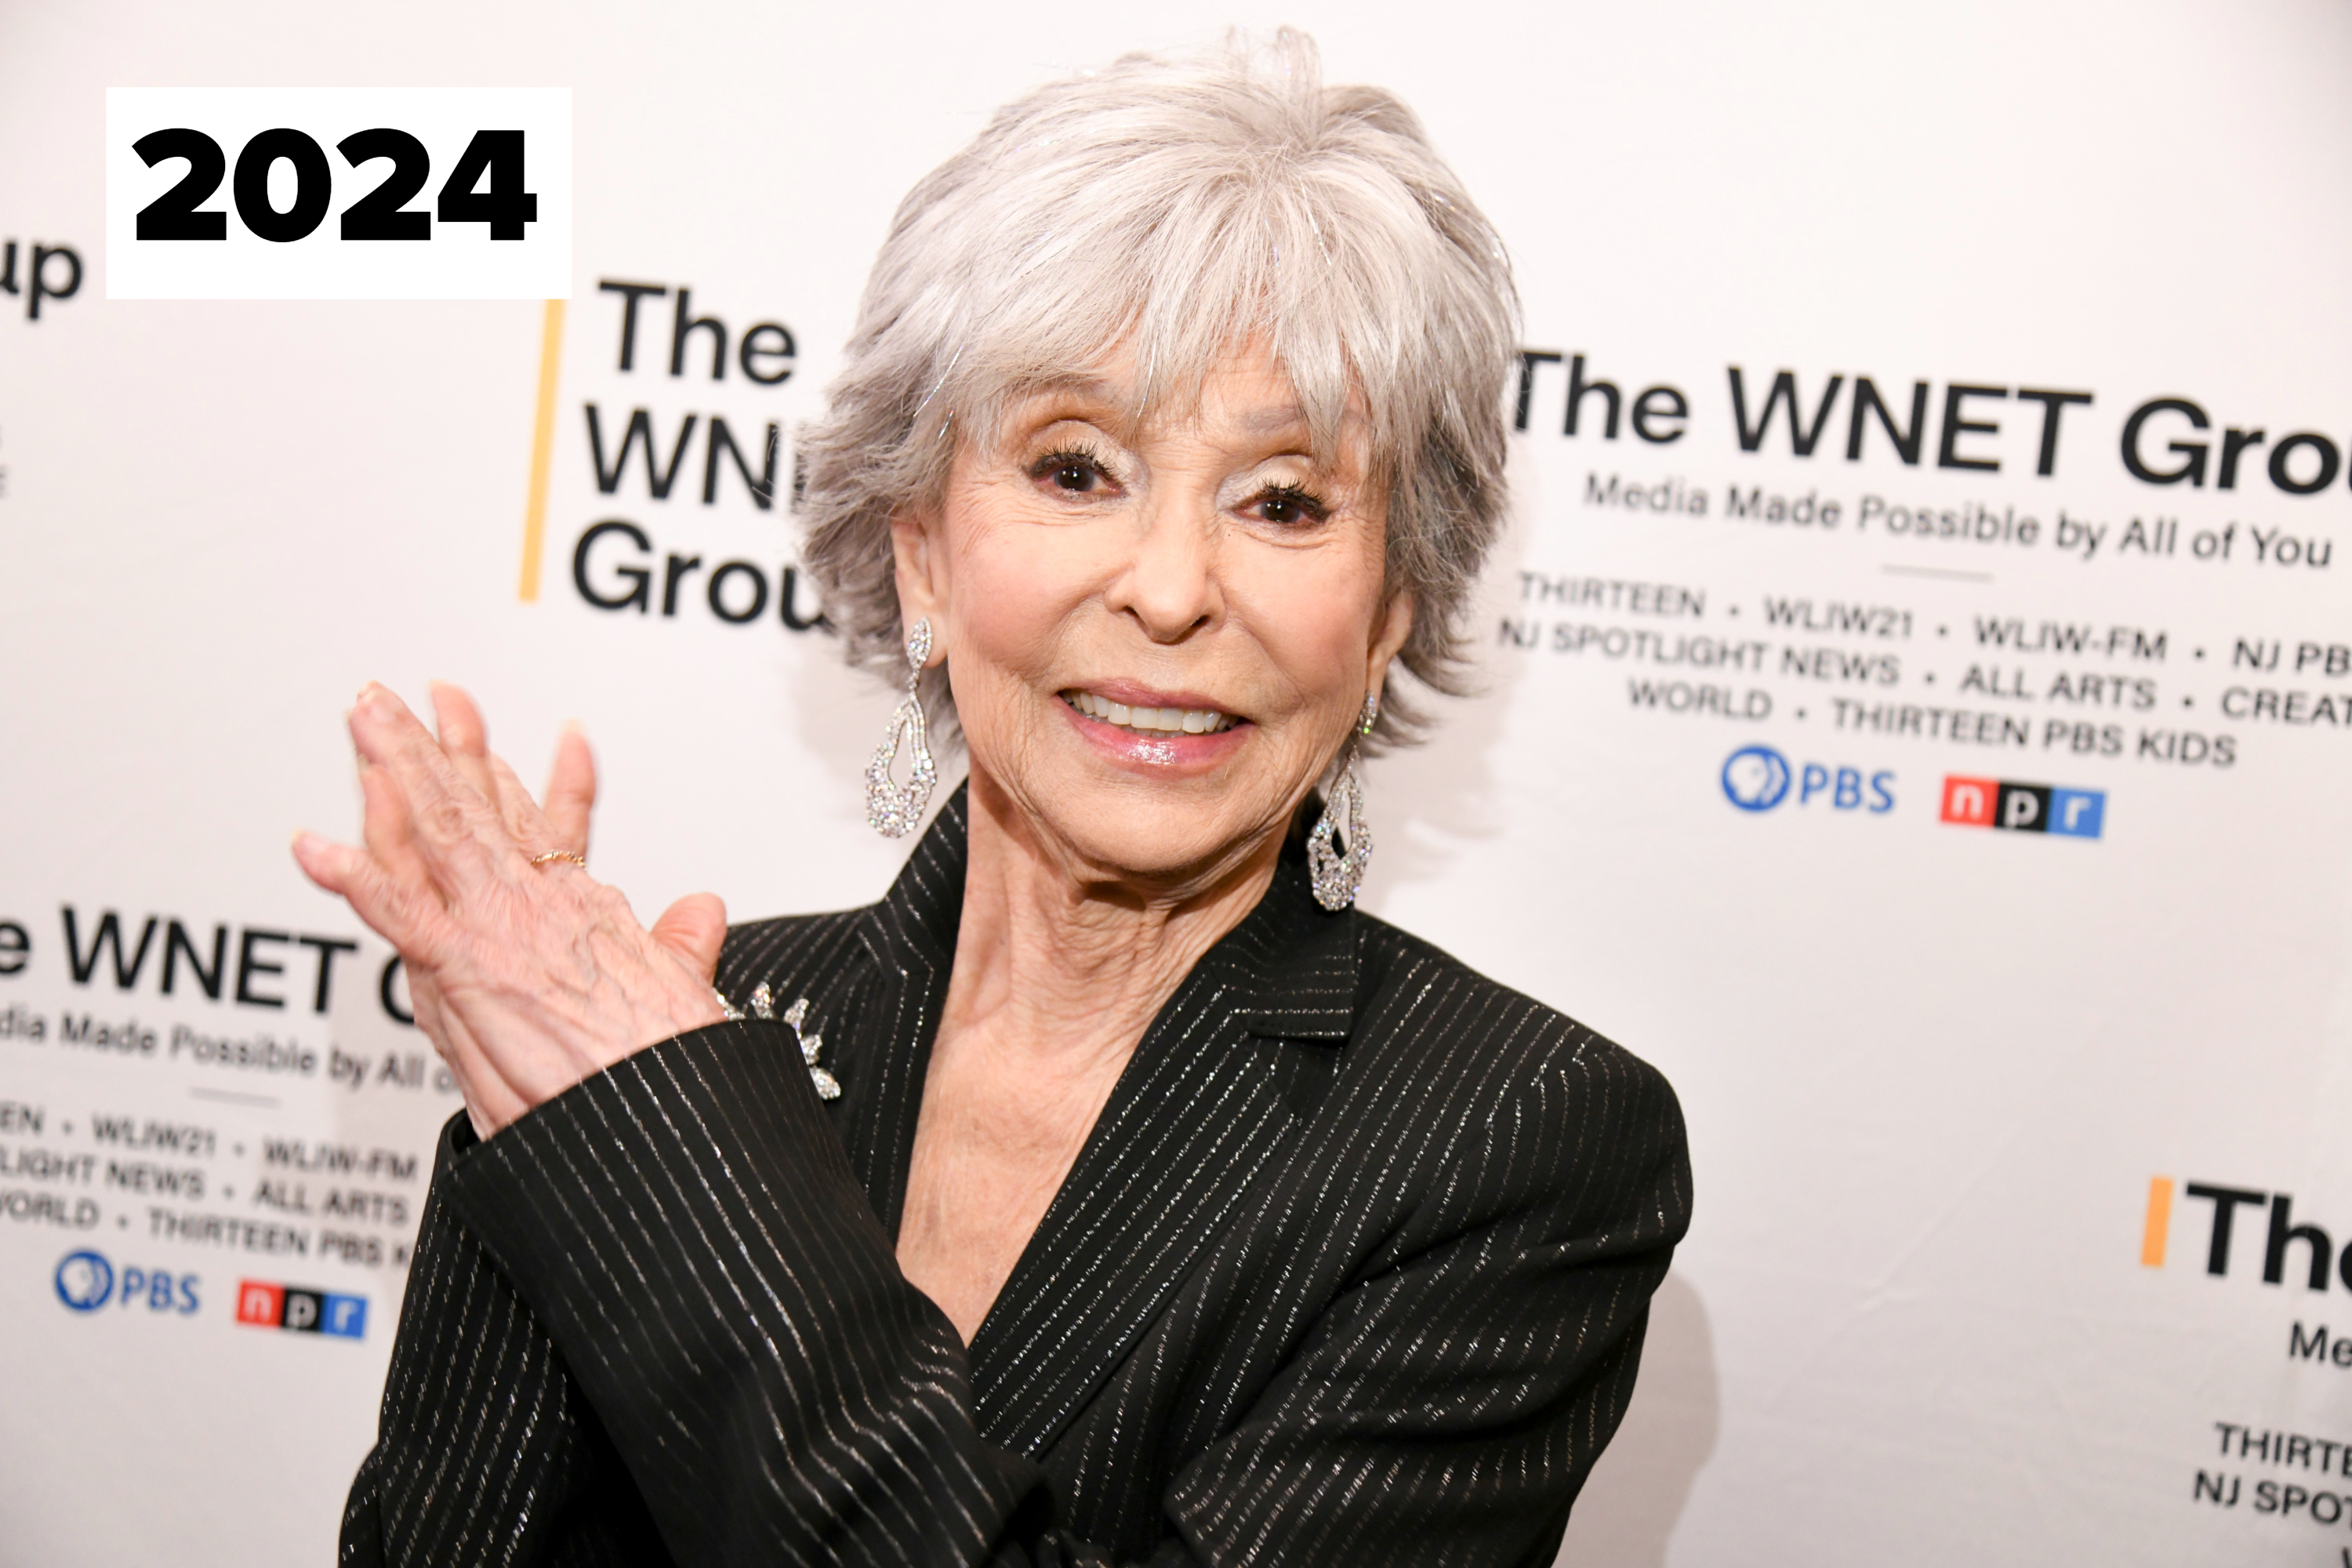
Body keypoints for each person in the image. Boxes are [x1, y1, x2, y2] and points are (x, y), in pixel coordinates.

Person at [298, 33, 1690, 1567]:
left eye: (1283, 499)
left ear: (1388, 612)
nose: (1170, 591)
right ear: (922, 556)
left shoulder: (1521, 1146)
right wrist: (570, 1102)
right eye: (1076, 467)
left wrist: (671, 1163)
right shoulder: (678, 1017)